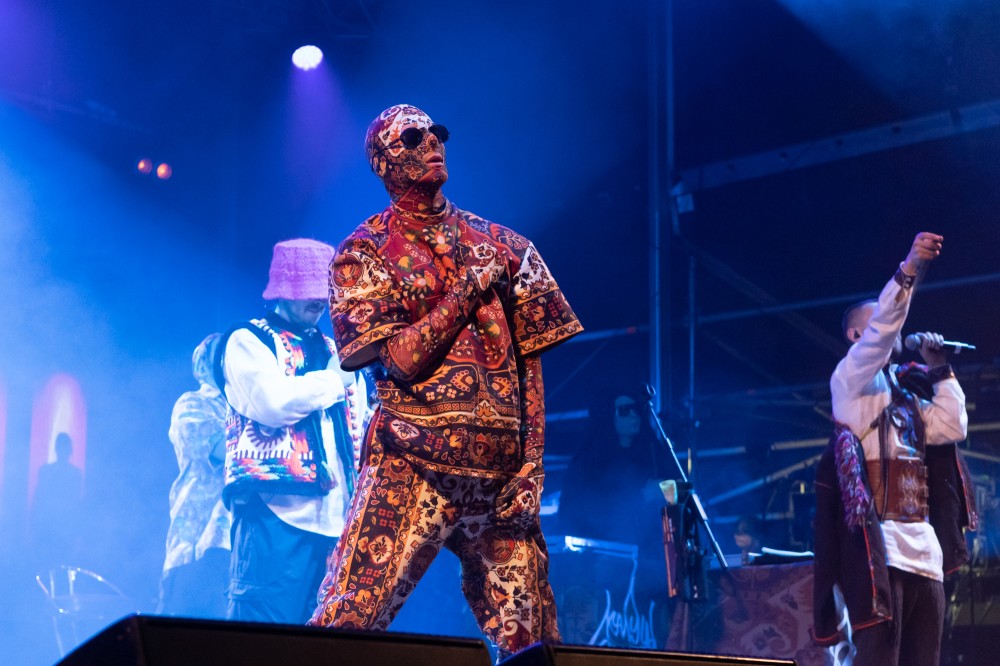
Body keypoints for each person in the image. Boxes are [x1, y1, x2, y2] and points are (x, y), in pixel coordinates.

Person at [309, 103, 582, 662]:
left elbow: (531, 364)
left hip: (500, 478)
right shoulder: (361, 253)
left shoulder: (507, 246)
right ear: (384, 162)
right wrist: (465, 293)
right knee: (349, 619)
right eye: (413, 137)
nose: (432, 142)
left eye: (437, 133)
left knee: (534, 645)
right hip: (412, 463)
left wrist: (532, 465)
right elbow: (399, 362)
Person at [813, 232, 977, 665]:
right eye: (878, 324)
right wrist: (909, 269)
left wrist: (940, 368)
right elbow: (883, 332)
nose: (892, 330)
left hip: (924, 553)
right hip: (877, 554)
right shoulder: (849, 383)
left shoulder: (905, 397)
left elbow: (952, 425)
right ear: (854, 335)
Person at [216, 238, 365, 624]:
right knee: (262, 642)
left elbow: (359, 424)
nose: (319, 301)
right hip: (274, 515)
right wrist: (335, 380)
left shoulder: (338, 350)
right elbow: (273, 404)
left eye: (324, 292)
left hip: (339, 522)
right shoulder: (248, 339)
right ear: (284, 288)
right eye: (309, 292)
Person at [158, 333, 231, 618]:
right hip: (198, 542)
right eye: (222, 355)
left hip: (234, 544)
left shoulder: (245, 405)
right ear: (202, 367)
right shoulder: (192, 404)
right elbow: (223, 450)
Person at [30, 433, 84, 569]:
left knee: (52, 565)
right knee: (55, 565)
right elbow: (39, 499)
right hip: (53, 527)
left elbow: (38, 499)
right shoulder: (73, 474)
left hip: (59, 527)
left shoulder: (49, 471)